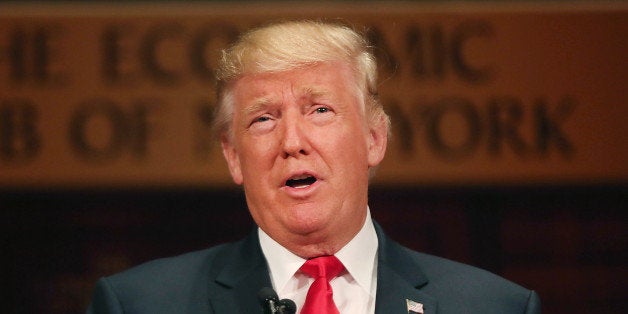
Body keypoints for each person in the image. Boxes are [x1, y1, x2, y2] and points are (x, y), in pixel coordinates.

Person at [87, 20, 541, 314]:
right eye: (263, 118)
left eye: (319, 110)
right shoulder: (140, 303)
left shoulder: (493, 306)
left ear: (374, 138)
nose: (291, 142)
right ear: (232, 156)